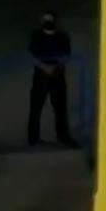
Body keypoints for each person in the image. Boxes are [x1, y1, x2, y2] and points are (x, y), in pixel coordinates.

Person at [27, 11, 77, 147]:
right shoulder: (37, 35)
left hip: (57, 75)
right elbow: (31, 55)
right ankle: (33, 138)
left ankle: (63, 136)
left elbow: (67, 55)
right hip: (41, 76)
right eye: (46, 20)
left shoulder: (62, 36)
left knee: (60, 107)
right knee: (36, 107)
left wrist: (55, 67)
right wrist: (45, 67)